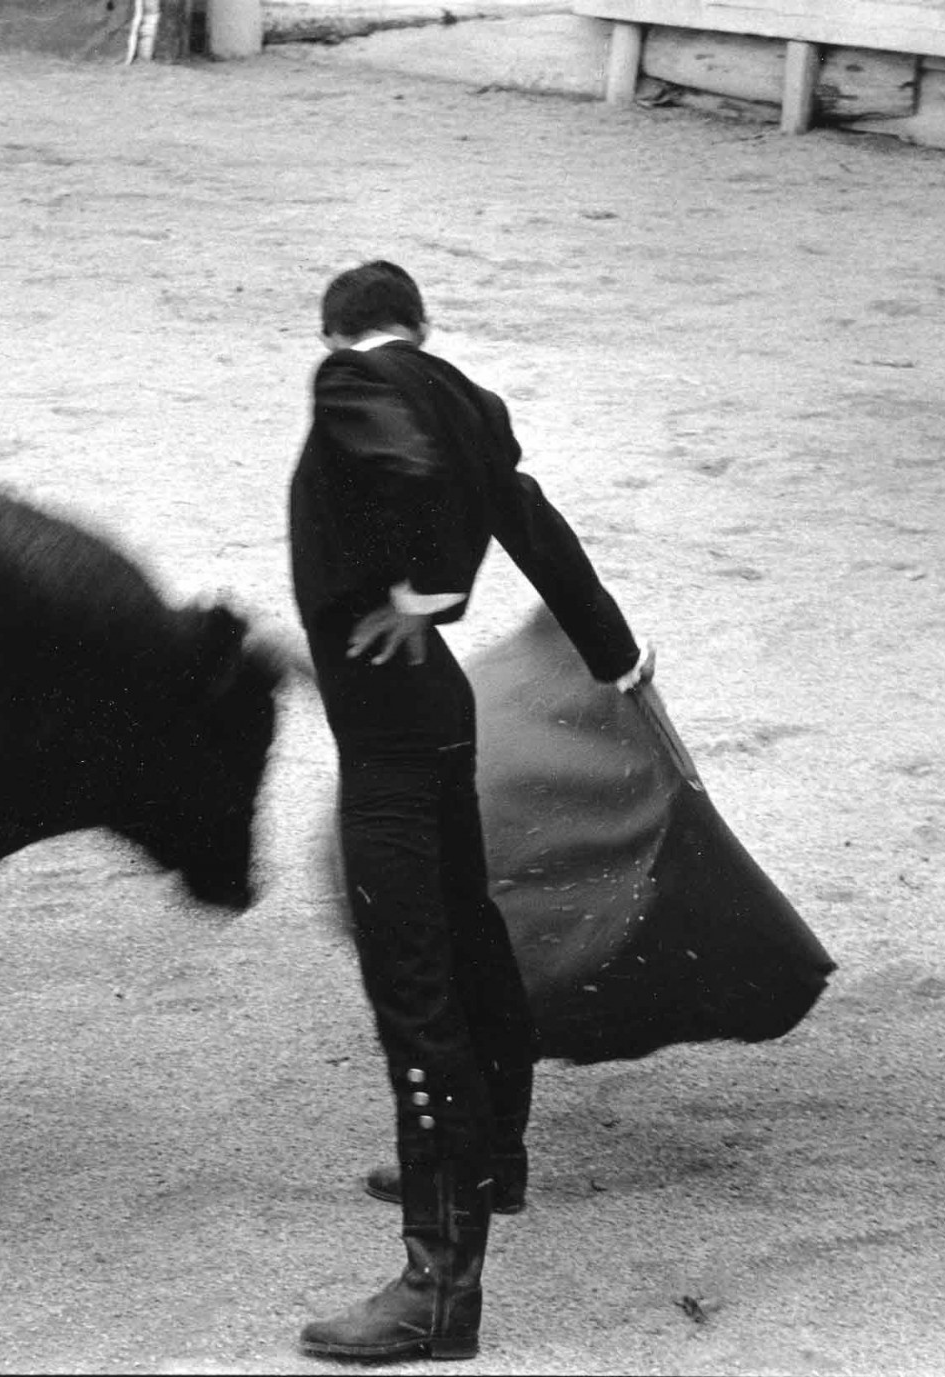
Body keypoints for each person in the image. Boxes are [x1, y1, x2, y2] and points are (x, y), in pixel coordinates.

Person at [287, 260, 650, 1362]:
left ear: (339, 329)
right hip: (432, 716)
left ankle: (436, 1293)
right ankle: (493, 1158)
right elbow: (537, 533)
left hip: (390, 732)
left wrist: (424, 592)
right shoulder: (472, 404)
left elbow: (404, 457)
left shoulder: (353, 383)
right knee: (466, 928)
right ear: (420, 321)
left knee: (414, 980)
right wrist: (618, 658)